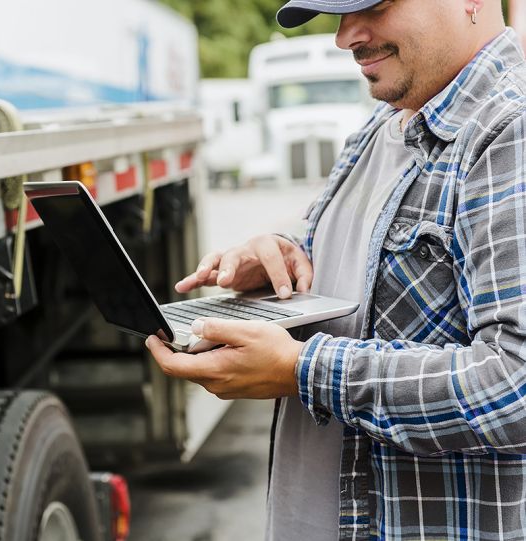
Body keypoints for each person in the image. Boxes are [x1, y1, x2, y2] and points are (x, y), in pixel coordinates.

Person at [145, 0, 526, 539]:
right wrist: (284, 253)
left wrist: (302, 369)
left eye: (372, 6)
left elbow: (517, 384)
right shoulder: (383, 122)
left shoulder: (510, 132)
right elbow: (363, 257)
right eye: (337, 13)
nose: (347, 36)